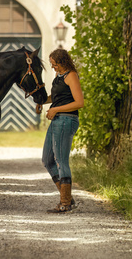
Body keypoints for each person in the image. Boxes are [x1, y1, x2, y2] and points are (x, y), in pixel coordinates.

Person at [37, 48, 84, 213]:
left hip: (66, 120)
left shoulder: (71, 75)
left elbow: (79, 102)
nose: (53, 67)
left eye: (54, 64)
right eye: (51, 64)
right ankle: (69, 200)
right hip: (57, 120)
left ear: (63, 62)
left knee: (60, 161)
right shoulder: (59, 76)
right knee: (47, 160)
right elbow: (58, 97)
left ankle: (65, 203)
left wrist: (56, 110)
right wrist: (44, 101)